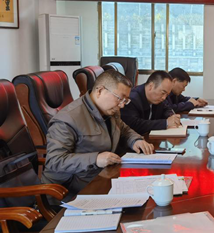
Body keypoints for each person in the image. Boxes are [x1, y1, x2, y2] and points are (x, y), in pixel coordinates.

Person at [42, 70, 154, 201]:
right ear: (100, 91)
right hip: (70, 191)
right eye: (120, 98)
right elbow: (55, 160)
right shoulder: (67, 119)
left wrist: (135, 140)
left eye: (126, 100)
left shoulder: (111, 110)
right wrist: (95, 159)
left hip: (100, 178)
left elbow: (123, 129)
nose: (122, 105)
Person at [120, 70, 182, 135]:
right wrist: (165, 123)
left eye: (167, 95)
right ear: (151, 86)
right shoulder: (131, 99)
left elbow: (166, 108)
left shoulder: (158, 98)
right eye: (163, 93)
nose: (164, 98)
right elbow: (134, 125)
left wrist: (172, 116)